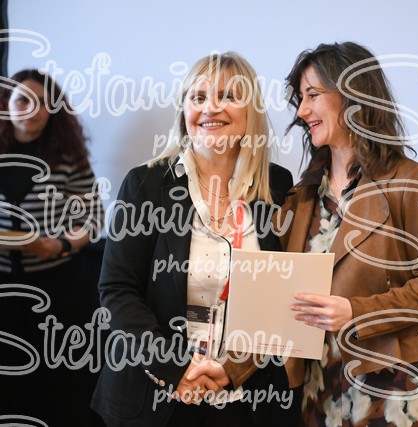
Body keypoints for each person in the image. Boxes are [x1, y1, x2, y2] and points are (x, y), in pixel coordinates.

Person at [91, 52, 300, 427]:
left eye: (227, 96)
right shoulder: (144, 184)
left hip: (245, 399)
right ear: (184, 110)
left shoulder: (277, 187)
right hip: (156, 397)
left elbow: (282, 298)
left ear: (250, 111)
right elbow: (117, 289)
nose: (210, 108)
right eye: (198, 97)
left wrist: (233, 368)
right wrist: (176, 368)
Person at [280, 42, 418, 426]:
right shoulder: (301, 196)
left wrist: (356, 312)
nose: (301, 111)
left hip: (393, 392)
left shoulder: (412, 181)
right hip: (321, 390)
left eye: (312, 95)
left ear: (352, 95)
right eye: (300, 98)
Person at [0, 69, 105, 425]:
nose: (33, 109)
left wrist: (60, 244)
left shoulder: (67, 157)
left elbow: (93, 217)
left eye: (43, 103)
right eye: (23, 100)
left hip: (56, 287)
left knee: (52, 384)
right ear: (7, 103)